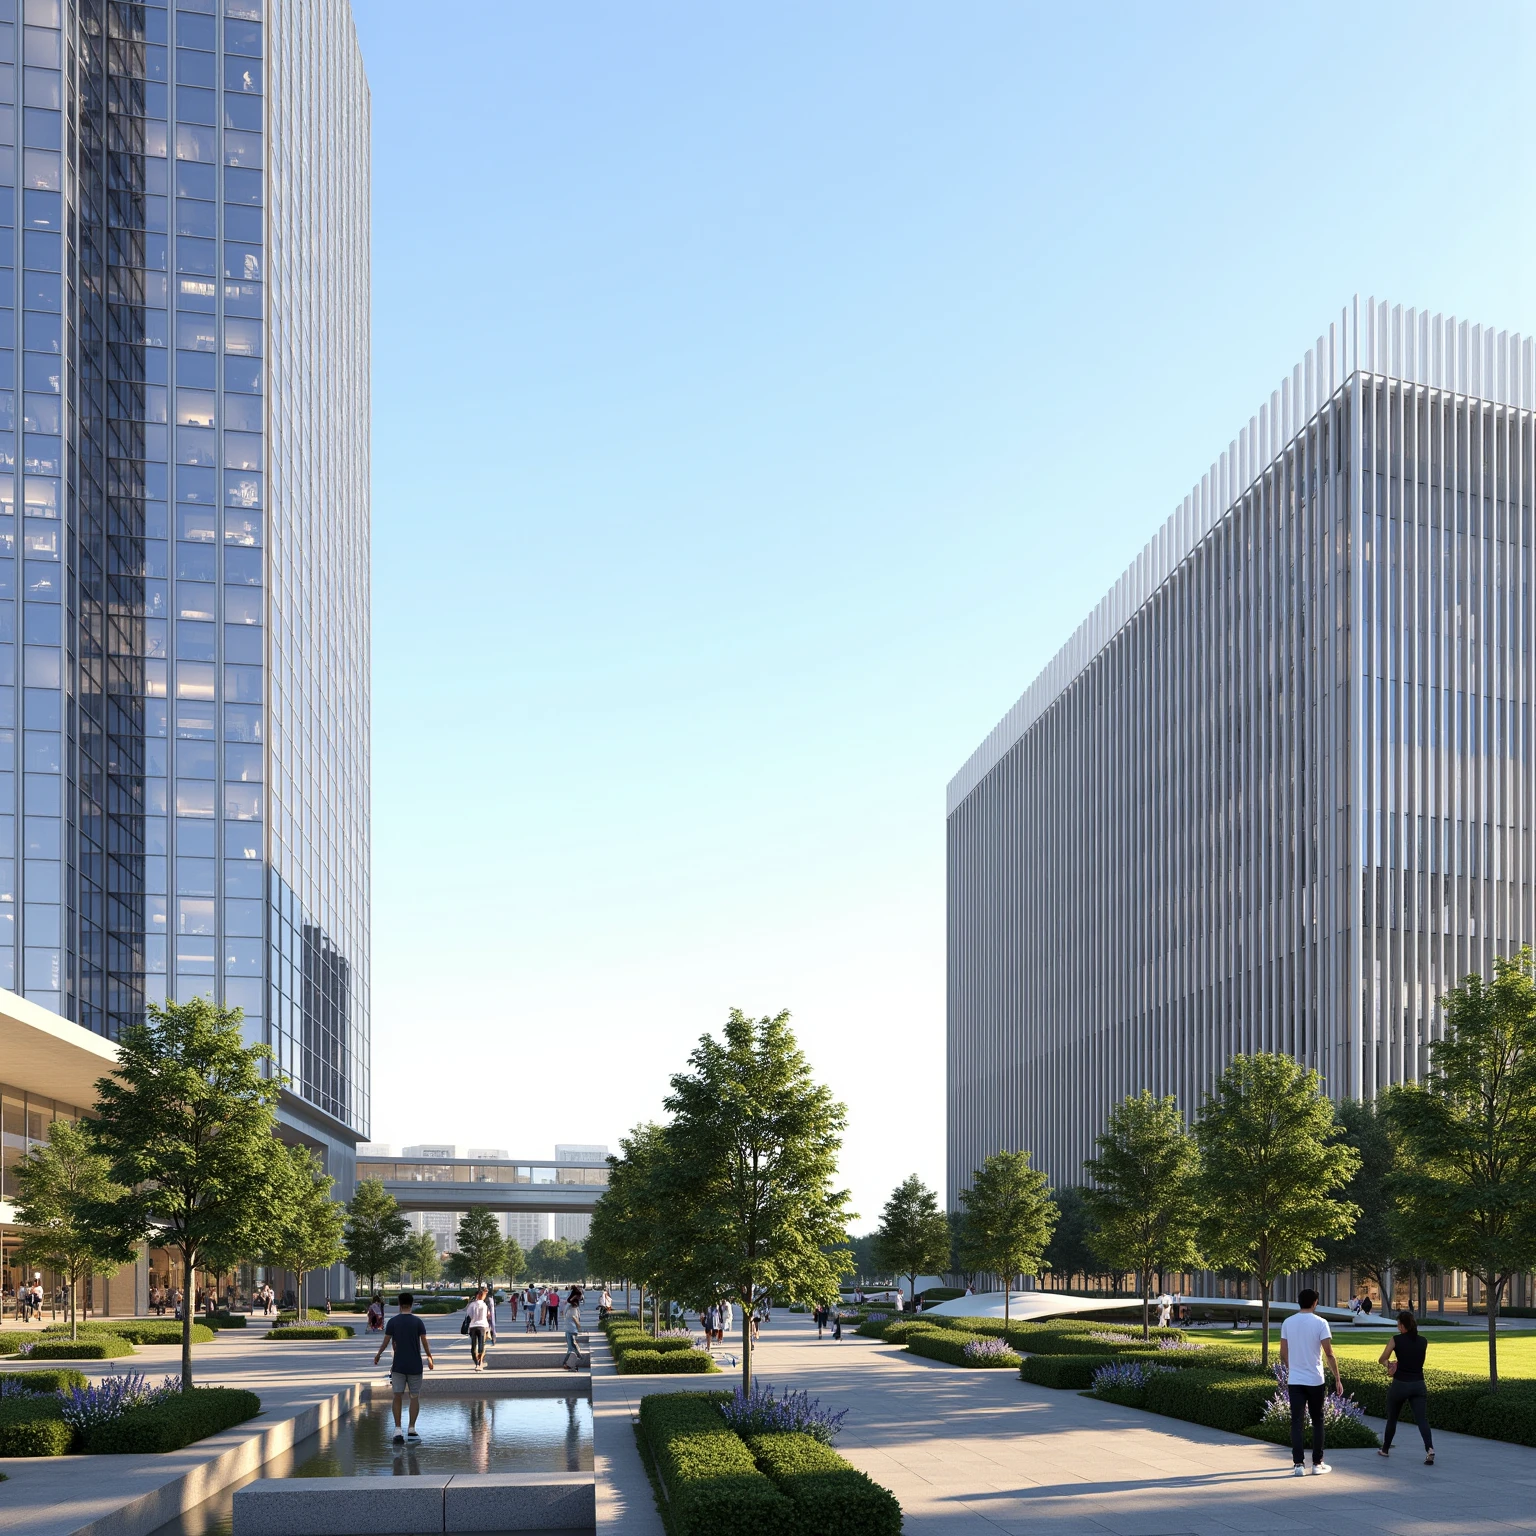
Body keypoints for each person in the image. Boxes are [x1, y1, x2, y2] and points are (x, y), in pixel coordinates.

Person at [1279, 1288, 1341, 1477]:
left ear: (1299, 1302)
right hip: (1315, 1379)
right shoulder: (1321, 1323)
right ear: (1315, 1302)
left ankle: (1298, 1464)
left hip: (1295, 1380)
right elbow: (1329, 1353)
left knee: (1296, 1422)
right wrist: (1337, 1378)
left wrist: (1292, 1367)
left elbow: (1283, 1352)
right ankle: (1317, 1463)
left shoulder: (1288, 1322)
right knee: (1317, 1421)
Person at [374, 1291, 435, 1444]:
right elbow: (424, 1342)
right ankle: (412, 1429)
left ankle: (397, 1429)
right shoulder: (418, 1322)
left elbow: (386, 1342)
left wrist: (378, 1355)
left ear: (399, 1304)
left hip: (398, 1366)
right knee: (414, 1396)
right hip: (415, 1365)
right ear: (412, 1304)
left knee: (397, 1396)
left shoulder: (393, 1322)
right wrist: (429, 1357)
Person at [1377, 1311, 1434, 1464]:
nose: (1397, 1328)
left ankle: (1385, 1449)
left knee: (1392, 1418)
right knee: (1422, 1419)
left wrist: (1389, 1365)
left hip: (1400, 1384)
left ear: (1402, 1325)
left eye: (1398, 1325)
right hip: (1418, 1384)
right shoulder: (1423, 1341)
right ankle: (1430, 1449)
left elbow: (1382, 1358)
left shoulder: (1396, 1340)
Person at [465, 1286, 492, 1372]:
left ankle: (476, 1362)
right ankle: (480, 1363)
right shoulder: (485, 1305)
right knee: (482, 1345)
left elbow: (469, 1315)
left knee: (473, 1345)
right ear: (482, 1295)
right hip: (483, 1326)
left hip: (473, 1326)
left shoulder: (472, 1304)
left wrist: (474, 1319)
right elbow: (488, 1316)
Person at [560, 1287, 583, 1372]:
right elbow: (574, 1317)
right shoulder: (573, 1306)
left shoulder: (568, 1305)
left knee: (572, 1347)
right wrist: (579, 1326)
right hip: (571, 1329)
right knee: (571, 1348)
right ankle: (568, 1363)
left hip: (568, 1328)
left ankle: (569, 1363)